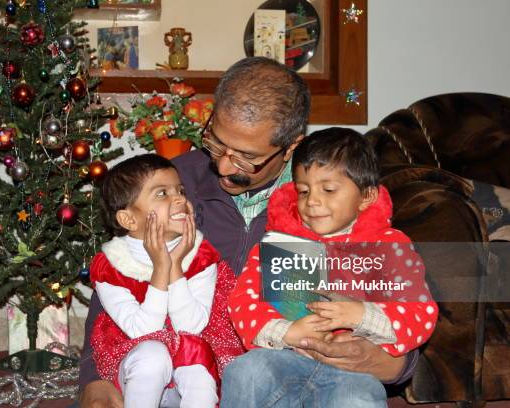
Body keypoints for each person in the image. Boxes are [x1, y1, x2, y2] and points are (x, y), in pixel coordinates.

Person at [79, 57, 419, 407]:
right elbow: (121, 272)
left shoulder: (329, 205)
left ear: (290, 148)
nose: (224, 167)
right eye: (215, 142)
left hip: (298, 371)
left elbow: (395, 288)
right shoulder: (176, 184)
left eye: (245, 158)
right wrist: (93, 378)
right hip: (188, 377)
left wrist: (398, 364)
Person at [223, 128, 439, 407]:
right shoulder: (280, 243)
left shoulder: (389, 246)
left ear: (366, 197)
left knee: (357, 399)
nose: (312, 201)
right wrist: (286, 332)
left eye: (328, 189)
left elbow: (419, 311)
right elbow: (243, 301)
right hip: (284, 358)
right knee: (246, 371)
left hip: (353, 371)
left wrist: (361, 315)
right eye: (303, 191)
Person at [89, 154, 243, 408]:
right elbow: (144, 332)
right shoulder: (112, 264)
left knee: (198, 364)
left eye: (180, 190)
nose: (180, 199)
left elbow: (191, 327)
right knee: (153, 354)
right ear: (129, 219)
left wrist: (175, 267)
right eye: (162, 194)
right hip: (136, 367)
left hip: (185, 358)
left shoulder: (199, 254)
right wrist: (161, 268)